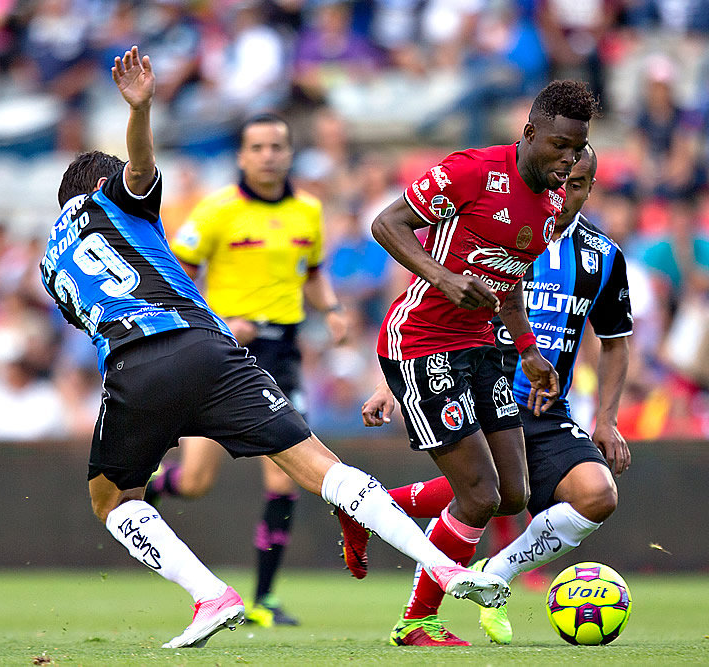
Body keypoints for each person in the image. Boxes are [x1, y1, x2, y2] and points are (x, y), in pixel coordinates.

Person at [39, 46, 509, 650]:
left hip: (138, 364)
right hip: (216, 350)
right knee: (321, 469)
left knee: (111, 497)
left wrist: (328, 306)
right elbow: (138, 172)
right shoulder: (125, 199)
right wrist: (141, 108)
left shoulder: (50, 260)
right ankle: (443, 566)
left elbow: (94, 315)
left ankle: (211, 594)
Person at [336, 80, 599, 647]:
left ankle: (372, 509)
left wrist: (528, 349)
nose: (567, 160)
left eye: (576, 151)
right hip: (422, 341)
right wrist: (444, 277)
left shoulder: (552, 205)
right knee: (478, 494)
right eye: (558, 146)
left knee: (512, 495)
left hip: (485, 348)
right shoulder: (473, 170)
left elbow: (509, 282)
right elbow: (386, 223)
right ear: (529, 134)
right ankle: (417, 622)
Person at [146, 111, 349, 628]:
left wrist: (331, 310)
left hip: (283, 356)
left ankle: (262, 600)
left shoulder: (308, 210)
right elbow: (175, 274)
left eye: (277, 146)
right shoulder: (216, 211)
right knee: (194, 482)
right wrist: (220, 321)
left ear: (289, 153)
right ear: (241, 155)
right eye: (257, 147)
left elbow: (315, 272)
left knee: (286, 480)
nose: (268, 155)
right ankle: (146, 493)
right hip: (223, 354)